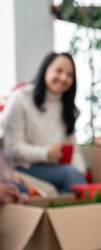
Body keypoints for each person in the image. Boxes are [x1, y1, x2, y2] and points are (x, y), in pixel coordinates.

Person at [2, 52, 86, 194]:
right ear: (45, 69)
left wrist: (81, 173)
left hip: (55, 170)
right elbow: (12, 148)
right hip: (23, 167)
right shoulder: (20, 99)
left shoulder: (66, 107)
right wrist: (45, 153)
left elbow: (73, 148)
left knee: (69, 189)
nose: (64, 78)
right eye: (59, 71)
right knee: (70, 175)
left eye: (69, 75)